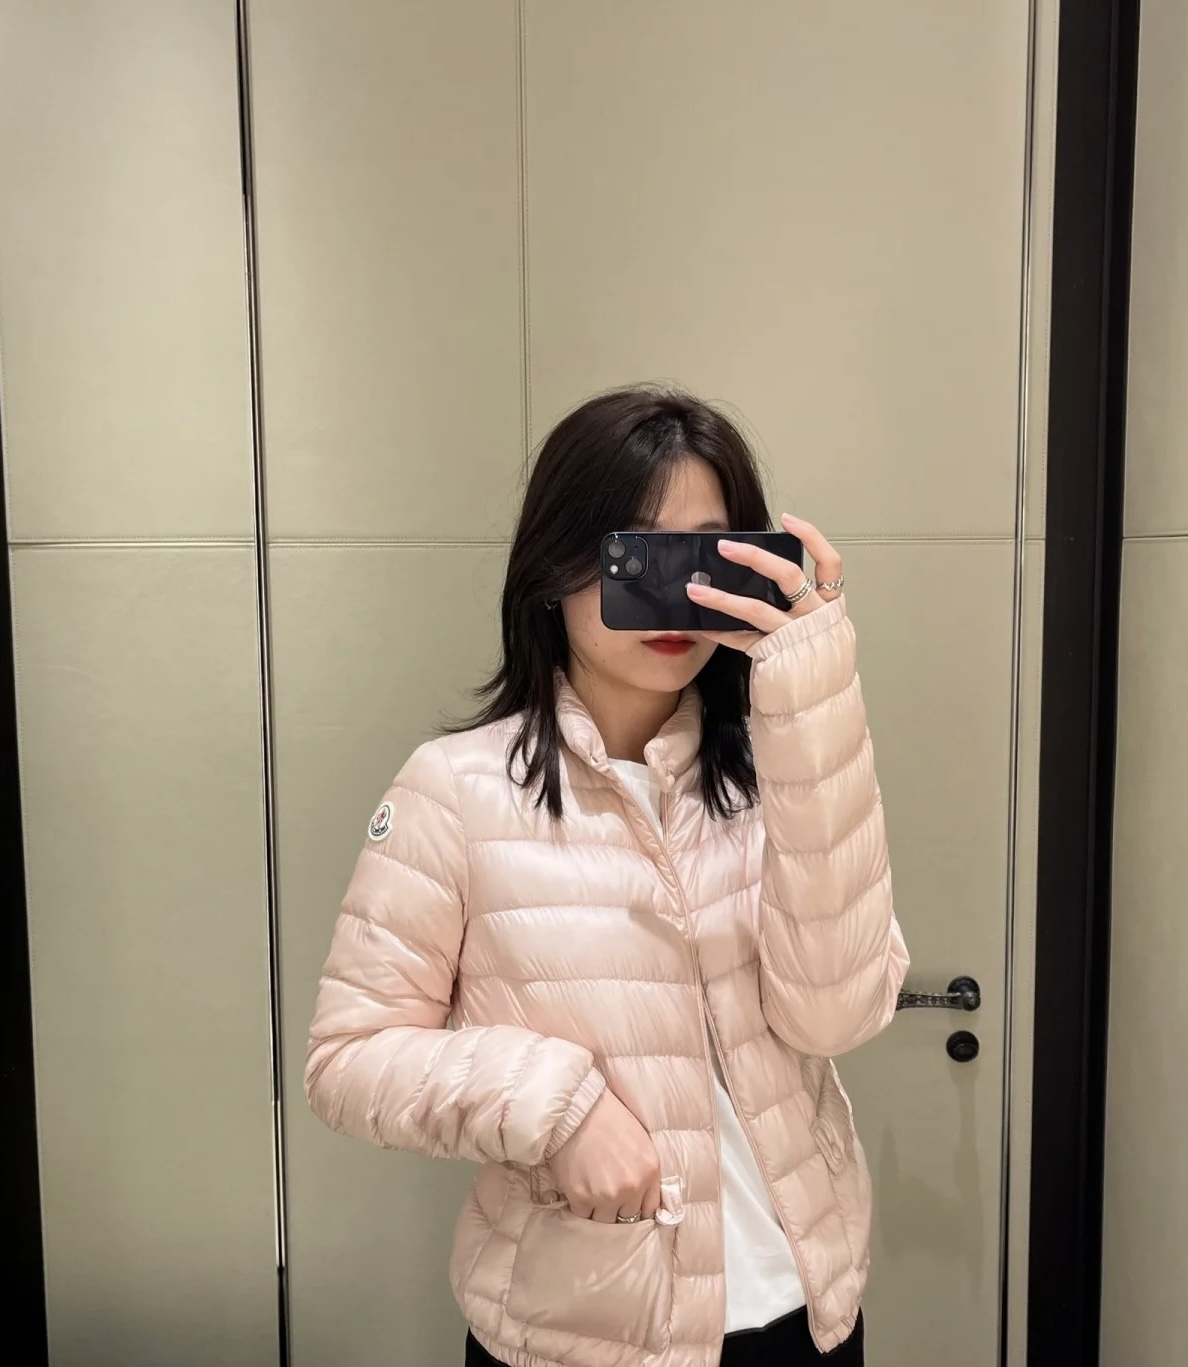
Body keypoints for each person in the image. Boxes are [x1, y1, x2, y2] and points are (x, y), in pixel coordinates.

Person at [304, 386, 909, 1367]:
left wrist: (812, 688)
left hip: (806, 1318)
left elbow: (835, 1014)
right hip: (581, 1337)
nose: (676, 593)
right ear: (556, 565)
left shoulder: (784, 770)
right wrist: (560, 1104)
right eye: (638, 553)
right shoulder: (454, 791)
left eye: (705, 554)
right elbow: (348, 1058)